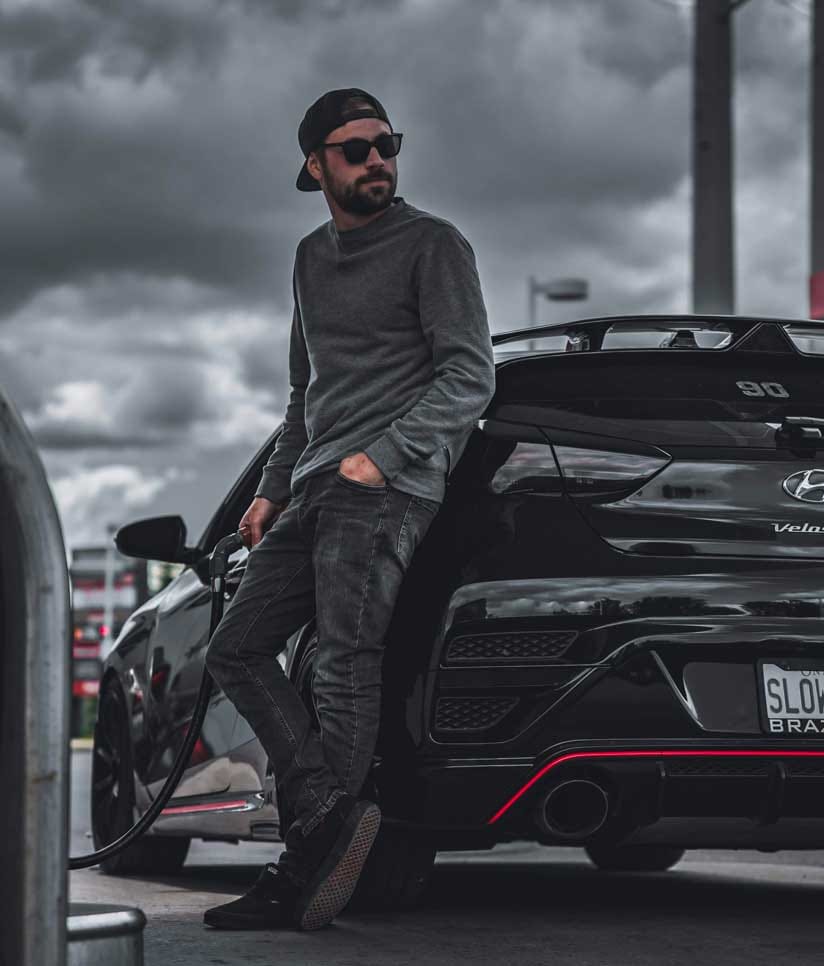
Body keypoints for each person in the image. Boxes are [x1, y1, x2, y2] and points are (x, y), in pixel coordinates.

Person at [202, 88, 496, 931]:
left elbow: (468, 376)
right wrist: (271, 487)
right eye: (355, 149)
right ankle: (329, 817)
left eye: (386, 144)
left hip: (384, 486)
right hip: (315, 485)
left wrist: (383, 457)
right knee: (238, 648)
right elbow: (306, 392)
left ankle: (307, 862)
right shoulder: (307, 257)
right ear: (315, 165)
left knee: (339, 659)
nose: (378, 161)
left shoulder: (433, 244)